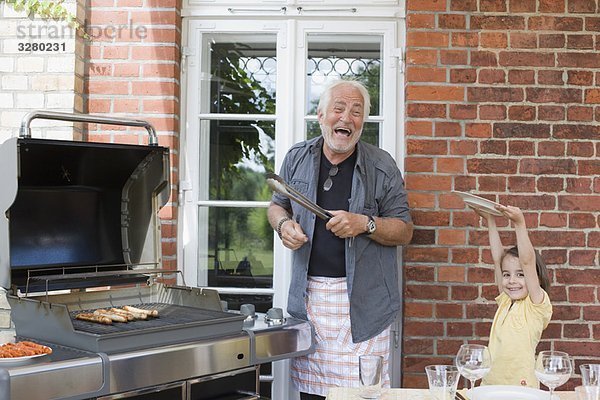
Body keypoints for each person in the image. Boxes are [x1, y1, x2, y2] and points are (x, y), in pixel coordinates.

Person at [267, 80, 413, 399]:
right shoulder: (297, 157)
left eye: (356, 112)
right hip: (311, 303)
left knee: (361, 395)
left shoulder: (382, 165)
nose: (347, 118)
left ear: (363, 122)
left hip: (365, 304)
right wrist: (283, 226)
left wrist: (365, 223)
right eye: (339, 108)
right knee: (311, 395)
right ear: (321, 115)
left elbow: (404, 229)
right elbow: (278, 205)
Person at [475, 205, 552, 388]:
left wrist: (519, 223)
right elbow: (497, 258)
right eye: (507, 274)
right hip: (491, 384)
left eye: (520, 274)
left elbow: (527, 261)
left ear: (534, 276)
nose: (512, 281)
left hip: (521, 387)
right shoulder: (505, 300)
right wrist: (490, 221)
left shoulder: (536, 305)